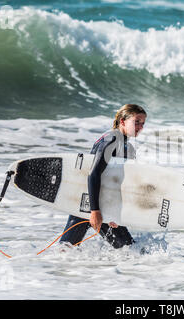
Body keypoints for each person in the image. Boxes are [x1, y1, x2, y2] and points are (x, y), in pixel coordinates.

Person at [60, 104, 147, 249]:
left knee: (129, 250)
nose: (140, 127)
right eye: (136, 122)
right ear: (123, 121)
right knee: (65, 250)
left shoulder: (129, 149)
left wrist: (116, 213)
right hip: (88, 204)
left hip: (105, 207)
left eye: (143, 123)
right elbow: (94, 174)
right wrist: (95, 211)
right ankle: (46, 269)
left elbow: (119, 183)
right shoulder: (112, 139)